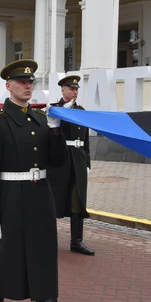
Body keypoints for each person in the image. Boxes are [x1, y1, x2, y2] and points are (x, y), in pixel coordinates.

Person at [0, 59, 68, 302]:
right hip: (9, 200)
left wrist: (55, 130)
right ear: (8, 85)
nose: (28, 86)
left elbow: (58, 161)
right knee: (1, 262)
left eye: (31, 82)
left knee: (44, 265)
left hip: (40, 200)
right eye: (22, 82)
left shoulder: (41, 120)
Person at [47, 75, 94, 256]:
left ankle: (77, 241)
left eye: (76, 89)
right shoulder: (55, 109)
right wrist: (63, 113)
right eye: (71, 88)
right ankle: (48, 238)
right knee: (54, 199)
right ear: (63, 90)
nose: (74, 92)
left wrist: (87, 162)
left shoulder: (81, 110)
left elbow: (86, 139)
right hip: (61, 161)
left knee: (78, 200)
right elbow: (53, 133)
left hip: (78, 161)